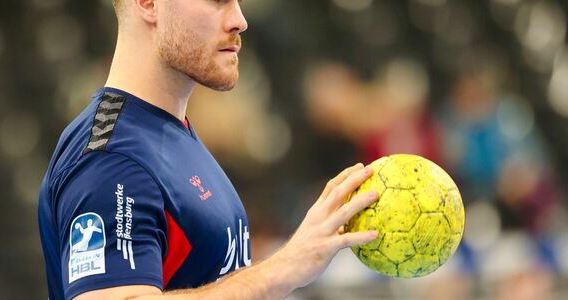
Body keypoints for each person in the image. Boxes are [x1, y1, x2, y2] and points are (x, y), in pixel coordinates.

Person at [37, 0, 380, 299]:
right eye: (217, 0)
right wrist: (284, 268)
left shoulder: (170, 133)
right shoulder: (112, 158)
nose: (239, 20)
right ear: (147, 2)